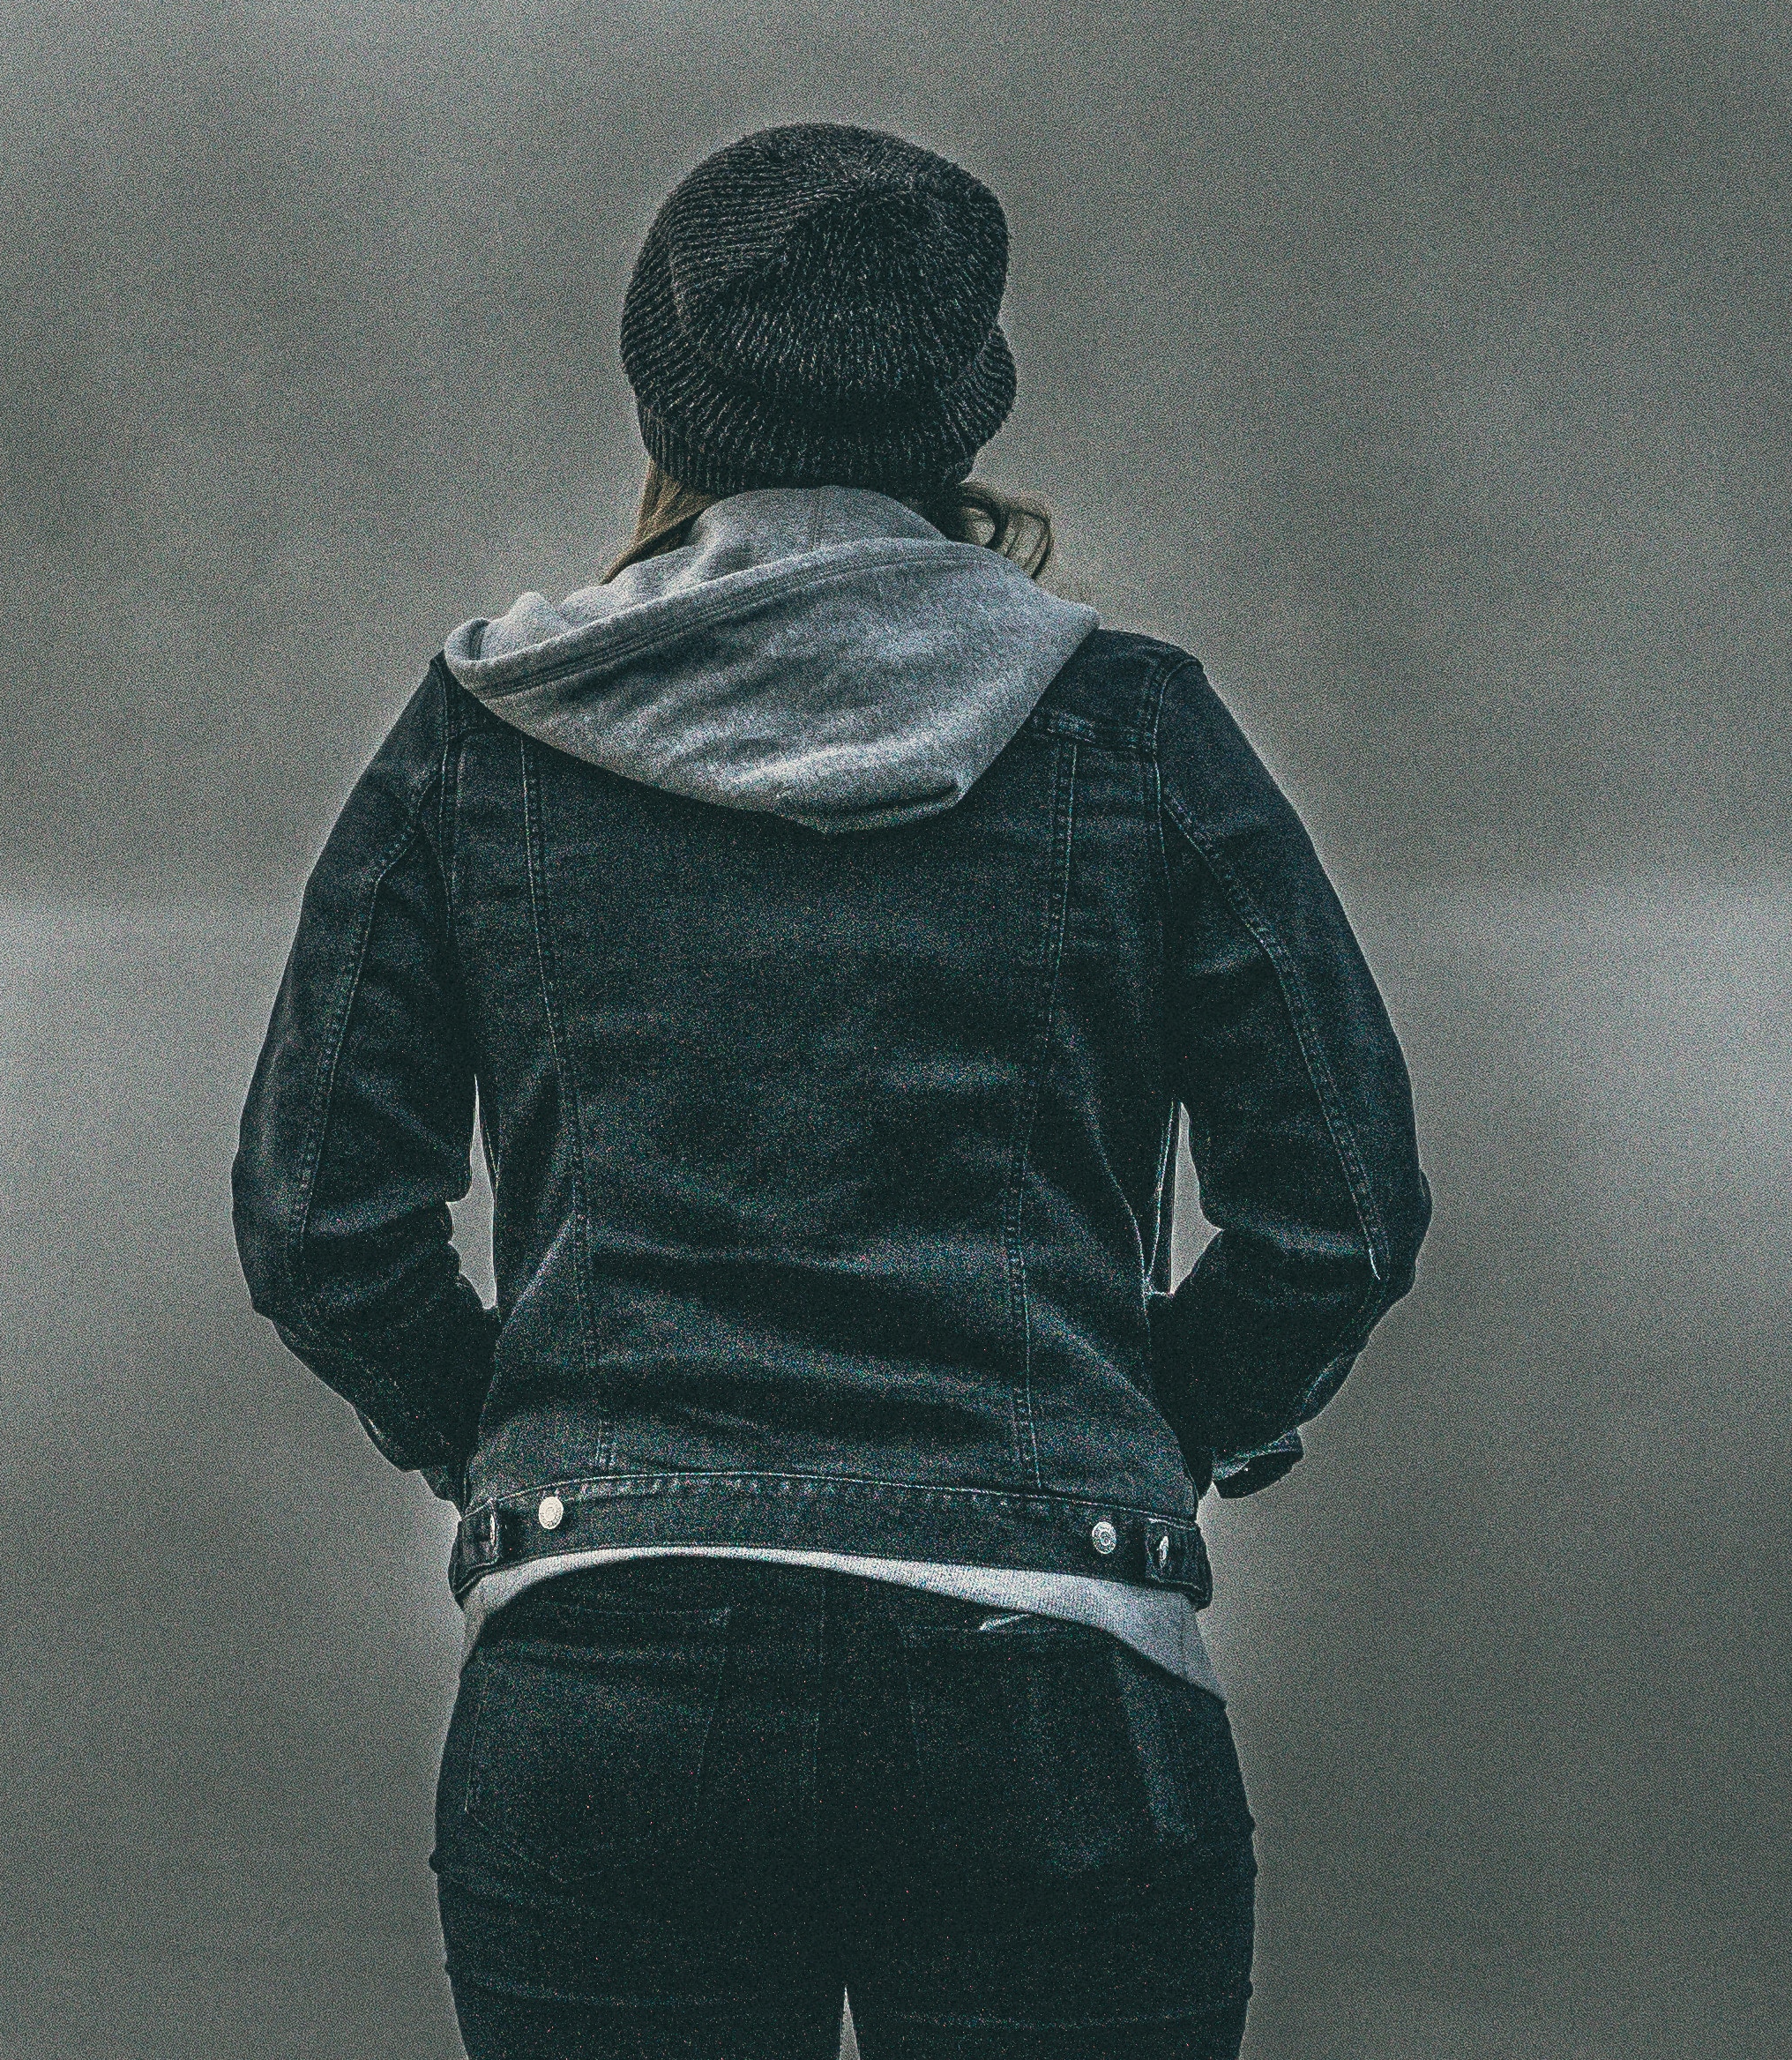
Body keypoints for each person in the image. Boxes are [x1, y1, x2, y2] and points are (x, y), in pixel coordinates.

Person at [234, 120, 1430, 2060]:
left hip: (604, 1687)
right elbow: (1343, 1215)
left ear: (667, 393)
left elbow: (318, 1224)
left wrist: (519, 1438)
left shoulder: (479, 737)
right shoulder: (1135, 731)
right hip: (1054, 1683)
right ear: (962, 410)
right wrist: (1142, 1433)